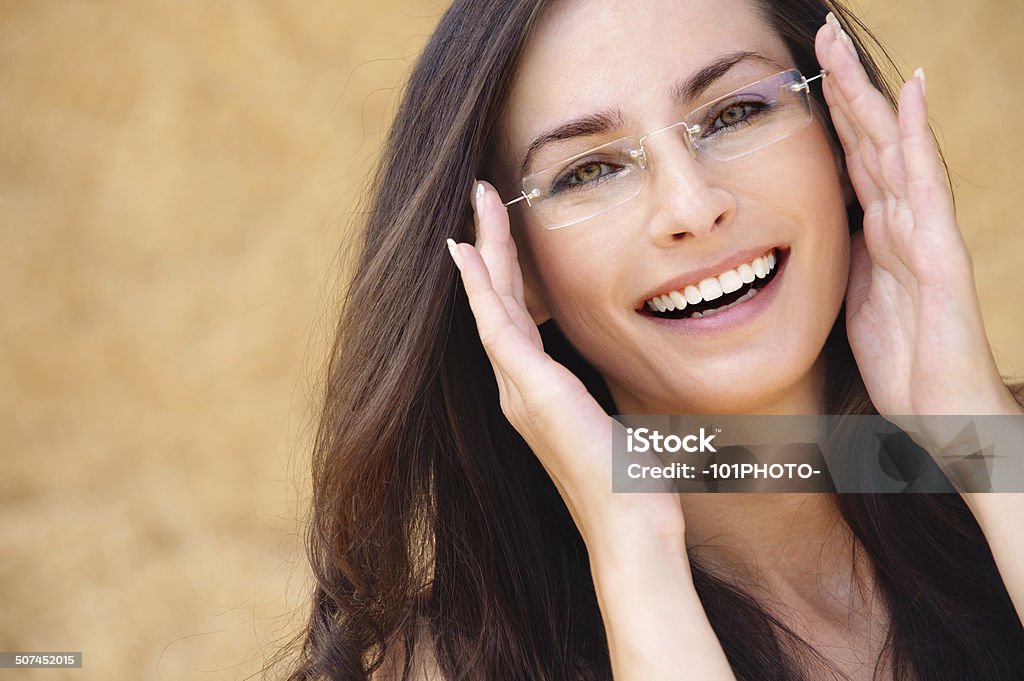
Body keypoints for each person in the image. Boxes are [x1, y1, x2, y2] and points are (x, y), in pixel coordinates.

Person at [276, 0, 1024, 679]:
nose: (692, 208)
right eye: (589, 170)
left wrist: (974, 429)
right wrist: (634, 548)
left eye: (732, 114)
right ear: (513, 267)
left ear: (838, 139)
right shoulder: (443, 668)